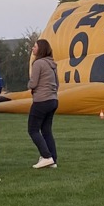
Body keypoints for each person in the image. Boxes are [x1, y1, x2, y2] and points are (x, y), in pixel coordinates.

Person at [28, 39, 59, 168]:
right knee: (46, 130)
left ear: (40, 49)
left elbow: (33, 83)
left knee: (33, 130)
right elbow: (57, 84)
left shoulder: (38, 63)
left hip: (41, 100)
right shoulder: (52, 64)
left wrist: (29, 85)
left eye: (34, 47)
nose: (32, 49)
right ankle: (53, 159)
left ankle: (46, 156)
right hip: (53, 100)